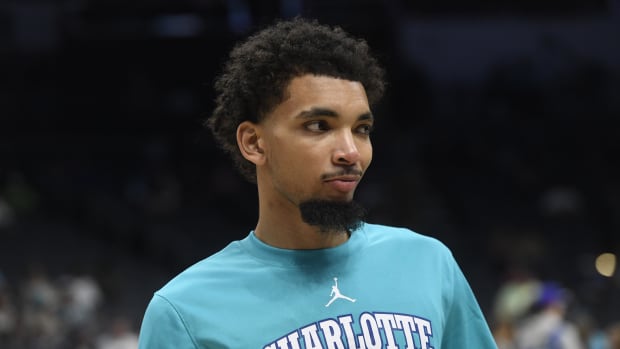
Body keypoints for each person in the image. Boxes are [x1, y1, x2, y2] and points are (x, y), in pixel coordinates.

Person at [138, 17, 497, 348]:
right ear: (253, 142)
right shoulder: (184, 312)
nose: (350, 152)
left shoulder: (429, 264)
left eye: (362, 129)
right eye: (318, 126)